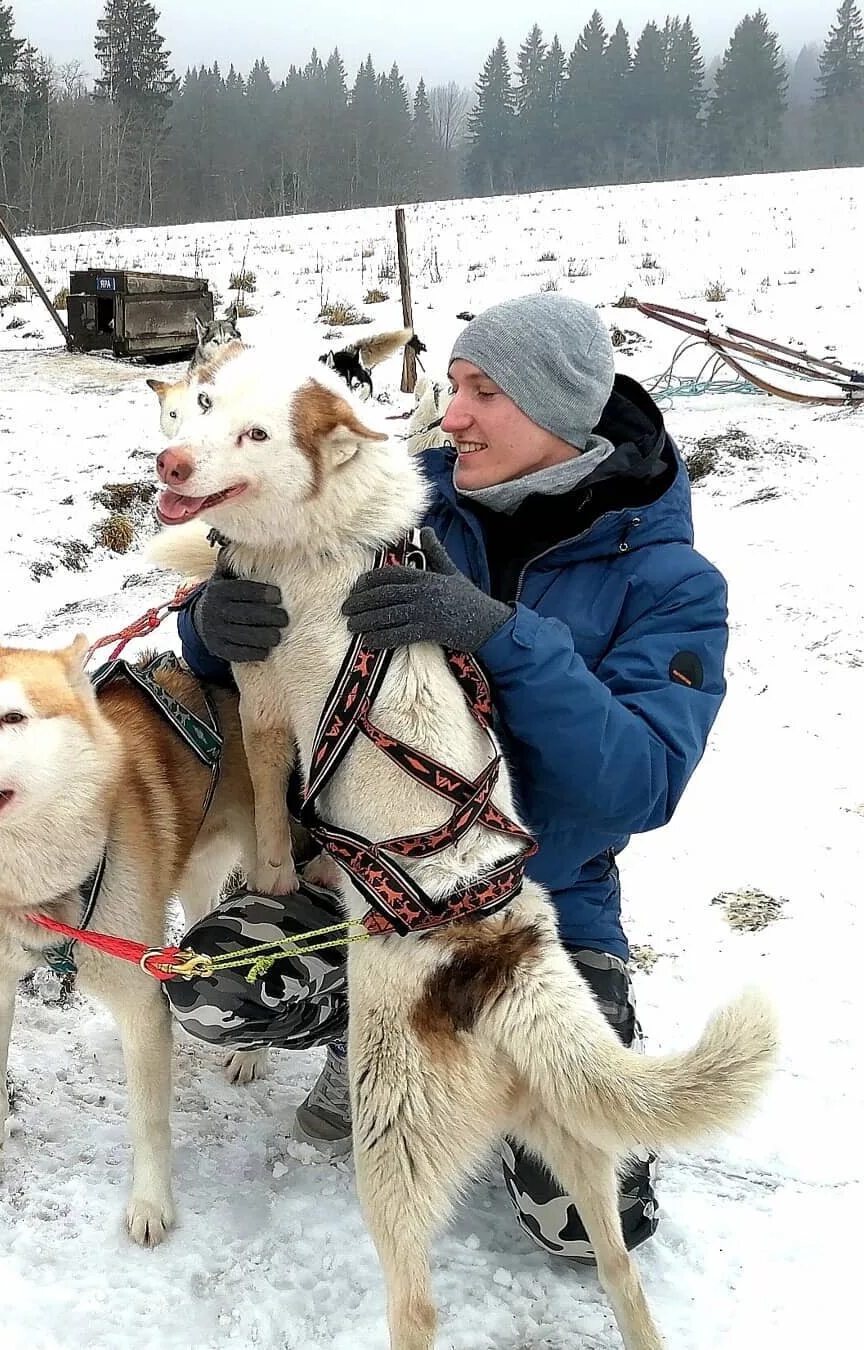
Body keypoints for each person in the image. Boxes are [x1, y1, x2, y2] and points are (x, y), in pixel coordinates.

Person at [170, 293, 729, 1262]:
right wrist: (210, 626)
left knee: (586, 1230)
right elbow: (263, 576)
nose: (449, 413)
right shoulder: (398, 496)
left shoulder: (671, 583)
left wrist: (504, 639)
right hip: (366, 879)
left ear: (563, 416)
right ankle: (361, 1027)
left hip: (541, 909)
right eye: (453, 386)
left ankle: (490, 1057)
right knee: (221, 986)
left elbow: (638, 785)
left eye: (484, 392)